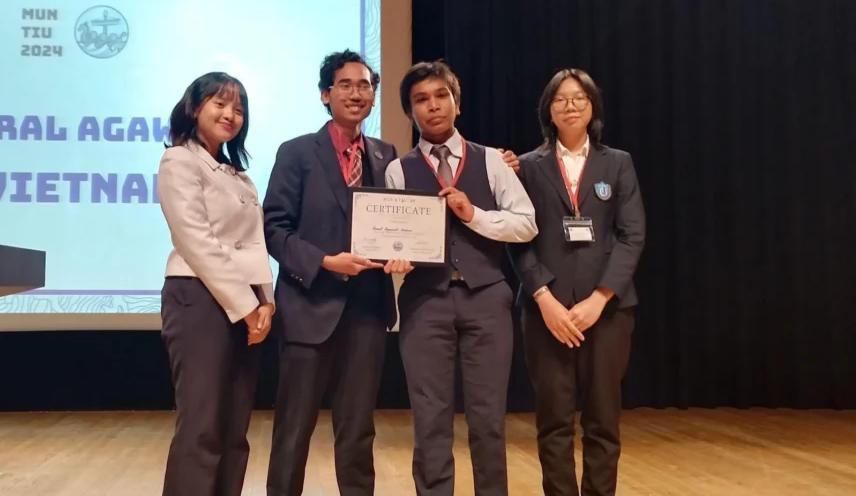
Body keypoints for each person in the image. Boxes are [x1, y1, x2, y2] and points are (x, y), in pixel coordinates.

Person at [384, 60, 537, 496]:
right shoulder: (398, 170)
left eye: (440, 96)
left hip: (487, 297)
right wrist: (397, 256)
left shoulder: (492, 160)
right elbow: (391, 235)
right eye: (420, 100)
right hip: (423, 301)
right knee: (430, 418)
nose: (432, 107)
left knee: (488, 417)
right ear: (409, 111)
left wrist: (475, 216)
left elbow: (526, 223)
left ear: (457, 102)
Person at [262, 50, 410, 496]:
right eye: (344, 85)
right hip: (309, 308)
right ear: (325, 94)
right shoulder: (296, 152)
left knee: (358, 431)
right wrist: (325, 261)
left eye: (365, 85)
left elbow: (401, 220)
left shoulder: (387, 154)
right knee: (293, 431)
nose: (356, 93)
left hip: (366, 310)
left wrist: (401, 254)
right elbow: (273, 228)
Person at [506, 68, 646, 496]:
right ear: (548, 109)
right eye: (561, 99)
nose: (571, 106)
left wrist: (600, 298)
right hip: (546, 313)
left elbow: (632, 234)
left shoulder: (617, 163)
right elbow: (518, 239)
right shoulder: (527, 167)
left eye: (579, 98)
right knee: (553, 422)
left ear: (592, 107)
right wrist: (544, 298)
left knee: (603, 420)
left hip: (606, 314)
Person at [156, 71, 276, 496]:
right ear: (195, 108)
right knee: (202, 427)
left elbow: (253, 243)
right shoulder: (179, 160)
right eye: (220, 104)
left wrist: (266, 302)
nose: (230, 114)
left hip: (244, 307)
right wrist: (247, 304)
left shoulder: (237, 173)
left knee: (234, 429)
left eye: (239, 108)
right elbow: (196, 240)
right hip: (198, 299)